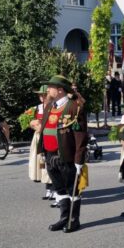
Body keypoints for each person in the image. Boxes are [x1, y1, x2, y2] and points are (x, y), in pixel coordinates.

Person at [38, 75, 87, 233]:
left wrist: (79, 159)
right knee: (59, 189)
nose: (48, 90)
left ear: (60, 90)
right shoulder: (49, 105)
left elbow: (80, 135)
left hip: (66, 156)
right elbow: (44, 129)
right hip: (50, 155)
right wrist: (41, 151)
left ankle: (74, 220)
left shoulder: (74, 107)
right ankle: (64, 218)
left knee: (73, 189)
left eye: (50, 87)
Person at [28, 85, 54, 201]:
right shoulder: (36, 108)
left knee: (50, 163)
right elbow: (27, 122)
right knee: (41, 164)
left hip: (48, 136)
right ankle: (48, 189)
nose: (42, 97)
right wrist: (33, 124)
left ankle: (55, 189)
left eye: (44, 95)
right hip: (38, 137)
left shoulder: (53, 107)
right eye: (40, 95)